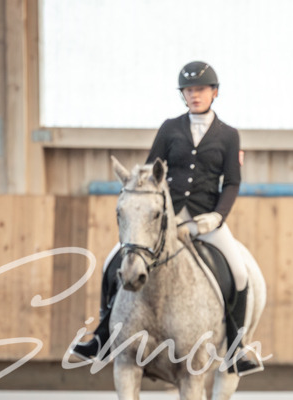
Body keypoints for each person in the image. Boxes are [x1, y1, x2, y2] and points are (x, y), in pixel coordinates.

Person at [69, 60, 260, 375]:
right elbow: (148, 171)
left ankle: (236, 349)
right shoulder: (170, 128)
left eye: (200, 89)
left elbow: (233, 182)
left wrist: (216, 217)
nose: (194, 95)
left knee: (239, 273)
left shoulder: (228, 135)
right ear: (182, 94)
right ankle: (102, 336)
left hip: (204, 219)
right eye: (188, 90)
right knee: (112, 261)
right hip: (164, 219)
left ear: (214, 92)